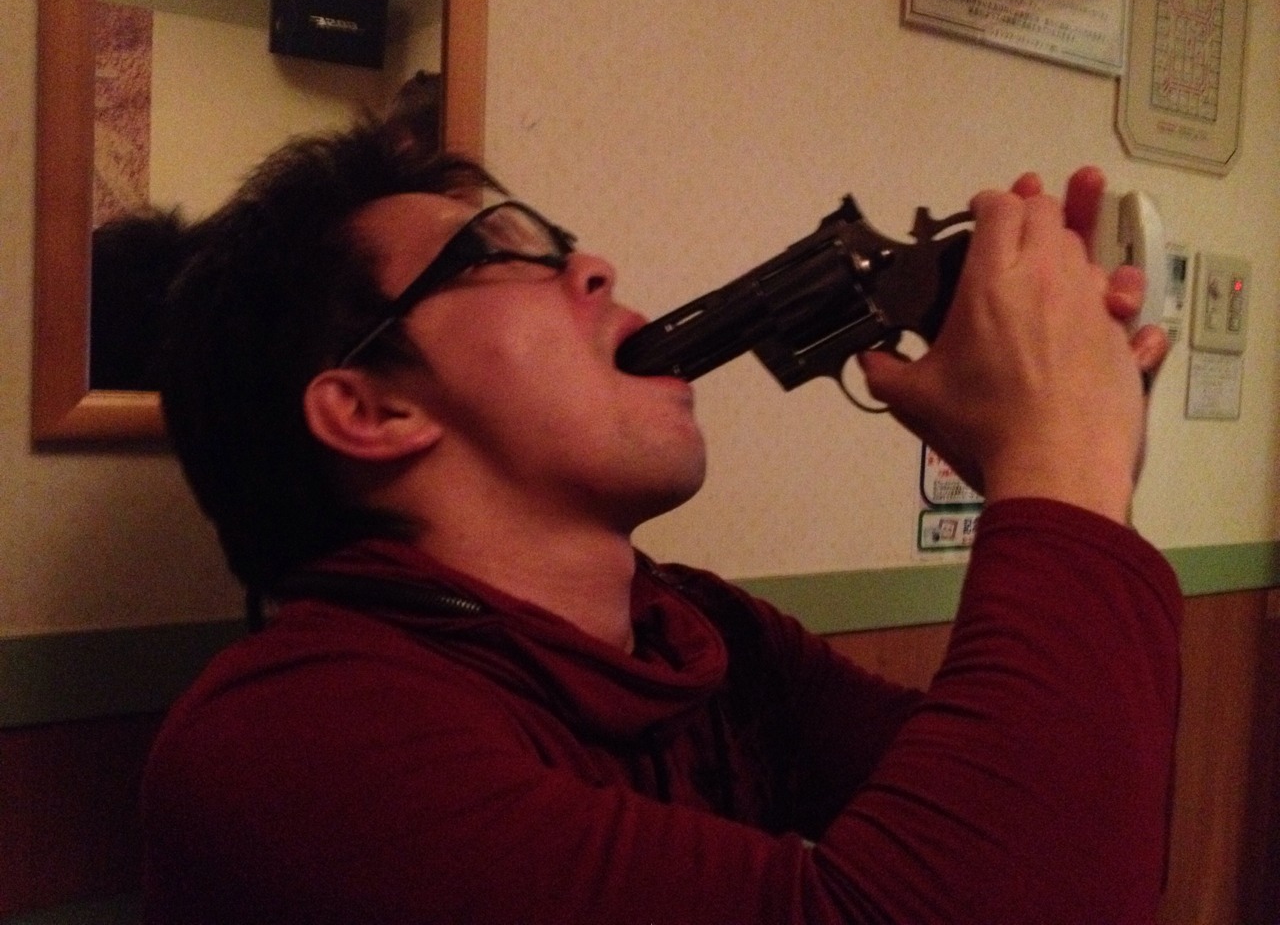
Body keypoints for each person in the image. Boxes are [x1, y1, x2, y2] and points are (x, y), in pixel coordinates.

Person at [142, 116, 1181, 925]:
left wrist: (1079, 447)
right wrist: (1060, 465)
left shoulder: (695, 634)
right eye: (497, 252)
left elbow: (1073, 832)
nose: (593, 266)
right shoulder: (290, 746)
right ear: (370, 411)